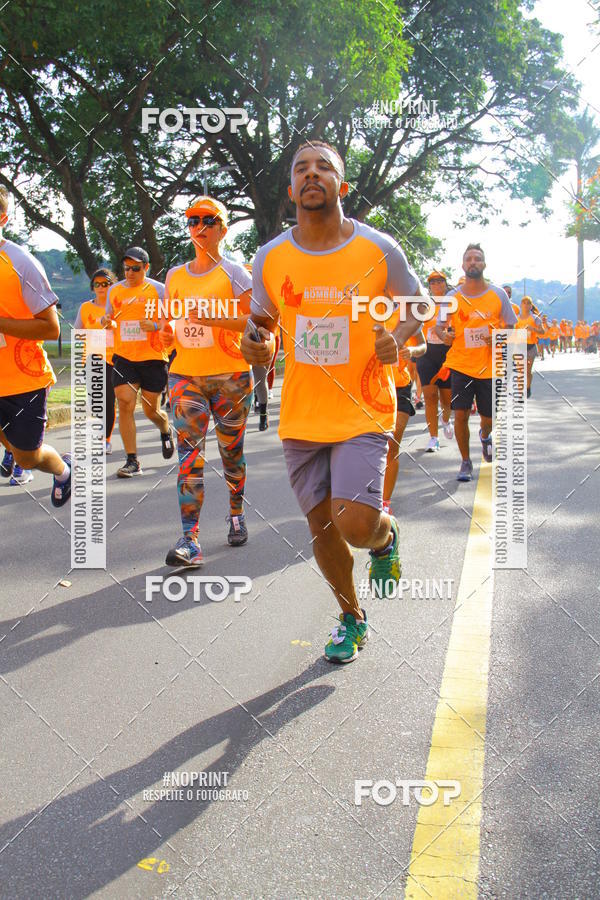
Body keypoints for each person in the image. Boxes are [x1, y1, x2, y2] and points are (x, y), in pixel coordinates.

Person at [241, 140, 425, 664]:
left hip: (363, 406)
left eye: (324, 168)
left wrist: (400, 334)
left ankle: (384, 537)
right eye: (301, 169)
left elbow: (420, 304)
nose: (312, 174)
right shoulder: (270, 256)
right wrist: (253, 344)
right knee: (322, 528)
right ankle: (351, 617)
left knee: (355, 524)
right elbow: (263, 327)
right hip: (301, 414)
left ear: (342, 186)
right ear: (292, 189)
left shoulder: (378, 248)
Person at [160, 198, 253, 566]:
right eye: (192, 220)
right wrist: (167, 336)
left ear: (223, 229)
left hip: (231, 377)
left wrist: (213, 321)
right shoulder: (175, 276)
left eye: (208, 220)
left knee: (231, 454)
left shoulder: (235, 274)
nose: (199, 226)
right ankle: (190, 540)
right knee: (189, 458)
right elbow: (171, 325)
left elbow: (254, 323)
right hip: (186, 376)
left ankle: (235, 513)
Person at [0, 186, 72, 503]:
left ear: (2, 217)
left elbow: (50, 327)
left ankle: (64, 470)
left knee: (26, 458)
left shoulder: (19, 262)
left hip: (22, 380)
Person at [436, 243, 517, 482]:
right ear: (463, 265)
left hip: (490, 368)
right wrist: (444, 336)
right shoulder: (453, 297)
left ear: (484, 264)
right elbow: (439, 328)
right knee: (459, 415)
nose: (473, 262)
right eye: (469, 259)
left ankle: (485, 435)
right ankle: (465, 461)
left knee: (488, 419)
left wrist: (498, 336)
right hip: (461, 365)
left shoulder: (498, 295)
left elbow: (511, 327)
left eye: (477, 259)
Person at [103, 247, 174, 477]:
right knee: (124, 403)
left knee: (151, 410)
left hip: (153, 357)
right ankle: (132, 460)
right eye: (126, 268)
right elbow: (110, 319)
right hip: (124, 357)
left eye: (135, 268)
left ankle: (164, 427)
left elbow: (172, 322)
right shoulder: (114, 291)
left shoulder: (159, 290)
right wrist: (107, 322)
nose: (130, 272)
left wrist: (155, 326)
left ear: (146, 267)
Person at [74, 268, 118, 454]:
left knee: (108, 400)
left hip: (114, 359)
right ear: (93, 287)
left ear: (112, 285)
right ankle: (101, 435)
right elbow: (77, 332)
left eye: (105, 283)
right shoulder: (85, 307)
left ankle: (105, 439)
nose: (101, 287)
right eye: (97, 284)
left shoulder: (117, 307)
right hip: (92, 358)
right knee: (95, 399)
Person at [382, 329, 426, 514]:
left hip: (400, 386)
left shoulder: (408, 313)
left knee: (392, 444)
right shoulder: (365, 306)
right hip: (373, 386)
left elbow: (423, 345)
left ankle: (384, 503)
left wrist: (413, 351)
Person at [417, 271, 454, 452]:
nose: (437, 285)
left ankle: (445, 420)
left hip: (447, 355)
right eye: (433, 282)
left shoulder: (453, 303)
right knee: (430, 397)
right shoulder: (425, 305)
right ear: (429, 286)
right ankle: (433, 438)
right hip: (427, 354)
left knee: (446, 400)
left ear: (446, 284)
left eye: (440, 281)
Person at [515, 296, 542, 398]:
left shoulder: (535, 318)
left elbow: (542, 331)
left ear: (531, 306)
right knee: (520, 371)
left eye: (528, 303)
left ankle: (527, 387)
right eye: (524, 303)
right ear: (521, 305)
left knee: (527, 371)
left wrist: (533, 329)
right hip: (519, 347)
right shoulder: (516, 318)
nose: (526, 305)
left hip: (530, 347)